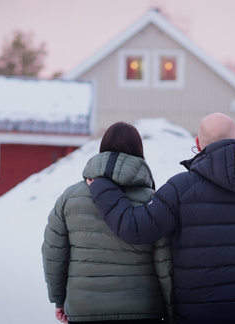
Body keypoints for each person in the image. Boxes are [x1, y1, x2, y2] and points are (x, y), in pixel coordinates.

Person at [88, 113, 235, 324]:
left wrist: (101, 186)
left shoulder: (180, 188)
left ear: (197, 143)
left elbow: (134, 228)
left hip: (197, 312)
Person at [42, 122, 174, 324]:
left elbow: (53, 253)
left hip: (84, 308)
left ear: (102, 149)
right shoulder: (153, 200)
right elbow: (164, 260)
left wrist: (59, 300)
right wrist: (171, 308)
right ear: (139, 152)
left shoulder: (69, 198)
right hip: (142, 309)